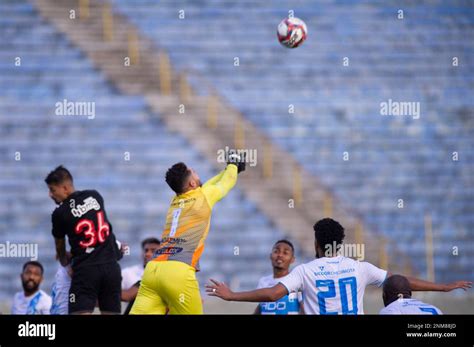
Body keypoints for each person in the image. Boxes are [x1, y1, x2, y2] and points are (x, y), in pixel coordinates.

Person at [207, 218, 472, 314]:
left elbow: (272, 293)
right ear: (340, 244)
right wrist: (444, 286)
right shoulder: (360, 268)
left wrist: (231, 296)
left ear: (317, 243)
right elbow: (399, 280)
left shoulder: (305, 270)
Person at [131, 152, 246, 314]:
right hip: (178, 271)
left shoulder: (176, 200)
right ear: (192, 183)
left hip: (153, 270)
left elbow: (207, 186)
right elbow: (227, 182)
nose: (197, 173)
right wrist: (233, 166)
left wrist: (227, 169)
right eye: (194, 172)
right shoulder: (203, 197)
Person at [45, 165, 123, 314]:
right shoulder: (95, 196)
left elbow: (60, 245)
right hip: (111, 268)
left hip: (86, 270)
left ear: (65, 188)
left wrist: (64, 258)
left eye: (52, 190)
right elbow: (105, 227)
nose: (50, 194)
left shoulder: (59, 213)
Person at [254, 240, 303, 315]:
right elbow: (260, 307)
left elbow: (304, 309)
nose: (280, 255)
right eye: (276, 251)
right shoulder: (263, 281)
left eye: (285, 253)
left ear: (292, 259)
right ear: (270, 256)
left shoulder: (297, 281)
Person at [121, 237, 161, 314]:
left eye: (153, 251)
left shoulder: (165, 275)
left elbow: (127, 295)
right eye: (146, 250)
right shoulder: (127, 272)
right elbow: (124, 295)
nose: (148, 254)